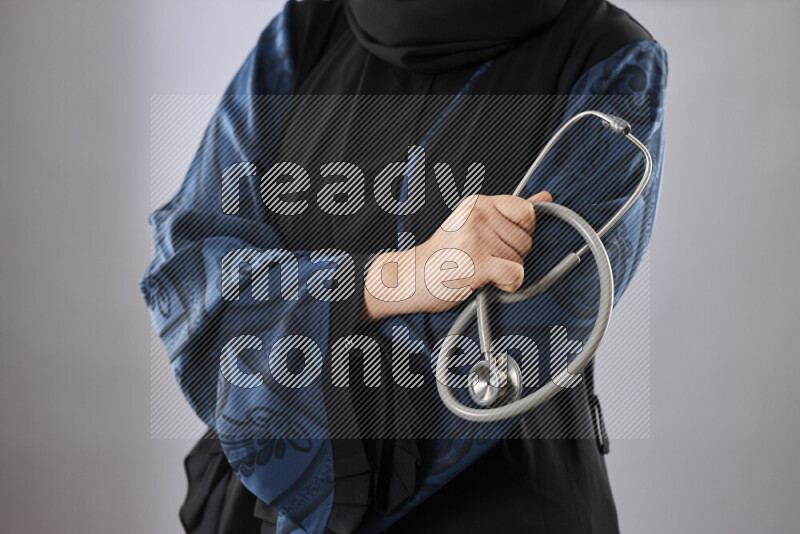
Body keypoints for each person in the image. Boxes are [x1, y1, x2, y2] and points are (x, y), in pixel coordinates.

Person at [141, 0, 667, 532]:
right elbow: (191, 273)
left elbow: (504, 359)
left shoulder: (612, 59)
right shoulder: (309, 27)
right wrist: (403, 278)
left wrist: (276, 363)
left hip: (500, 508)